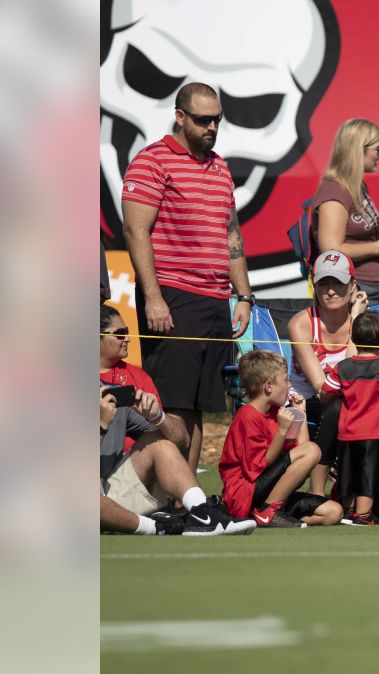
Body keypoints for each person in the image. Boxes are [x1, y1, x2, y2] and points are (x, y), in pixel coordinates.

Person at [121, 81, 254, 474]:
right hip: (174, 295)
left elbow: (231, 234)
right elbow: (134, 231)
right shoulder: (151, 161)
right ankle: (160, 497)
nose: (212, 127)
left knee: (200, 406)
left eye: (217, 119)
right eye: (202, 119)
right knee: (172, 406)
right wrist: (154, 297)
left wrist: (242, 296)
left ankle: (189, 504)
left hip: (215, 298)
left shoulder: (221, 166)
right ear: (180, 116)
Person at [99, 386, 255, 536]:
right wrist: (101, 426)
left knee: (159, 442)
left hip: (109, 488)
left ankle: (202, 513)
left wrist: (157, 416)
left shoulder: (109, 395)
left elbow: (182, 439)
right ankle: (158, 527)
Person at [219, 350, 344, 528]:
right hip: (245, 492)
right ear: (268, 386)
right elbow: (258, 466)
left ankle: (261, 515)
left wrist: (301, 413)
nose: (289, 385)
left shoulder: (274, 413)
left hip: (270, 490)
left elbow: (303, 450)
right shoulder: (247, 415)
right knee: (312, 450)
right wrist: (282, 431)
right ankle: (267, 511)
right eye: (286, 380)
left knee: (334, 512)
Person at [317, 312, 379, 524]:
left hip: (347, 433)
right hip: (373, 435)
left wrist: (326, 394)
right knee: (369, 476)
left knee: (348, 472)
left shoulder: (342, 367)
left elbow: (326, 393)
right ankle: (363, 515)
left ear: (352, 338)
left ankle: (348, 510)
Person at [312, 118, 379, 313]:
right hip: (353, 291)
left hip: (370, 289)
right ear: (358, 150)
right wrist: (378, 247)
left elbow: (354, 229)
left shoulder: (355, 186)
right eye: (377, 149)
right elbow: (331, 248)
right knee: (361, 344)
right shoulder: (335, 191)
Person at [286, 250, 366, 494]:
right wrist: (355, 325)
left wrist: (356, 320)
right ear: (315, 287)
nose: (331, 291)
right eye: (324, 283)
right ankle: (317, 491)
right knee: (336, 405)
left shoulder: (366, 321)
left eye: (338, 283)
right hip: (304, 404)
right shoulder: (301, 324)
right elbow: (323, 391)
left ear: (352, 286)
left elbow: (364, 378)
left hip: (349, 402)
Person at [99, 304, 186, 449]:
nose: (128, 339)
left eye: (127, 332)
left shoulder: (139, 377)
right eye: (120, 333)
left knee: (164, 446)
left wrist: (157, 416)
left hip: (132, 463)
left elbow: (178, 438)